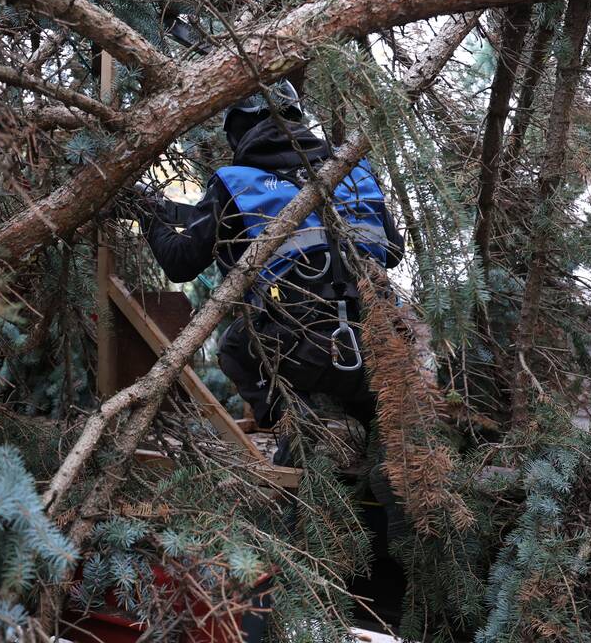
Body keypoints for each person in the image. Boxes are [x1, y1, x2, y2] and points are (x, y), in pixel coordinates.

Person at [135, 81, 405, 464]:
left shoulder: (236, 183)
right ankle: (372, 456)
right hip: (378, 346)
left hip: (298, 350)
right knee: (384, 467)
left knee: (235, 347)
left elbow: (180, 262)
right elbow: (393, 251)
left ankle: (296, 424)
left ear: (237, 129)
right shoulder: (356, 171)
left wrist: (147, 213)